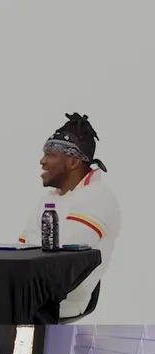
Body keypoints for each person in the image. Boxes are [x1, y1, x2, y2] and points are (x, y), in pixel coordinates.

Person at [16, 113, 121, 320]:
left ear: (73, 161)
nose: (42, 161)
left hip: (58, 302)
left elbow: (60, 261)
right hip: (31, 294)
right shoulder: (47, 200)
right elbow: (21, 253)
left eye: (50, 155)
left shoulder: (98, 196)